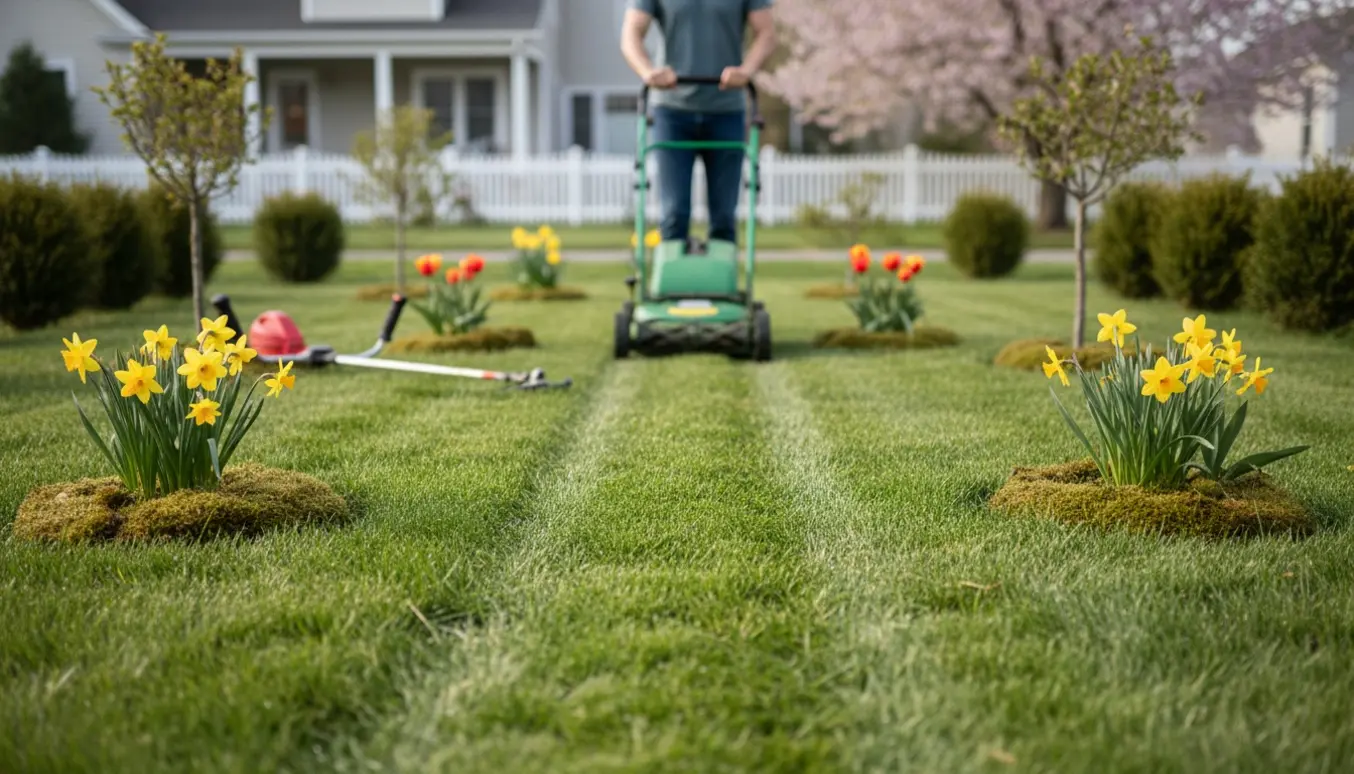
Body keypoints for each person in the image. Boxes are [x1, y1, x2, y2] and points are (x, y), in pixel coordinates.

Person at [621, 0, 776, 247]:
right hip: (672, 112)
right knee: (673, 214)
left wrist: (745, 71)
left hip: (726, 110)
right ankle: (674, 284)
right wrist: (648, 71)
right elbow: (631, 32)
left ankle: (721, 283)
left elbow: (766, 33)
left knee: (724, 217)